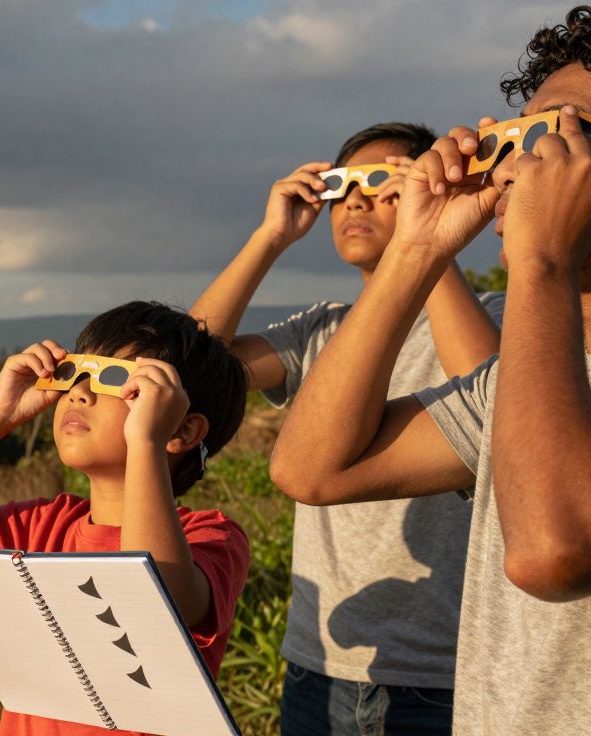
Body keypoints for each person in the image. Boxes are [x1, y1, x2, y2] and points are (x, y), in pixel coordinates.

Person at [268, 4, 591, 734]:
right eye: (509, 140)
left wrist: (543, 259)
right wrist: (416, 249)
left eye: (557, 137)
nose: (516, 168)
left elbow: (554, 549)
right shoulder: (521, 382)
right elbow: (313, 469)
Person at [190, 121, 503, 735]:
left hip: (452, 671)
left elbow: (499, 402)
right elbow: (185, 366)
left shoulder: (490, 315)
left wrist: (428, 243)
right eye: (342, 185)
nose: (355, 201)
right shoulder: (321, 333)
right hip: (321, 663)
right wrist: (269, 237)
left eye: (381, 181)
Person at [0, 301, 252, 736]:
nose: (80, 393)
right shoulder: (44, 526)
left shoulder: (210, 537)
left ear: (181, 430)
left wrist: (145, 439)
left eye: (115, 380)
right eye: (76, 375)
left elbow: (155, 604)